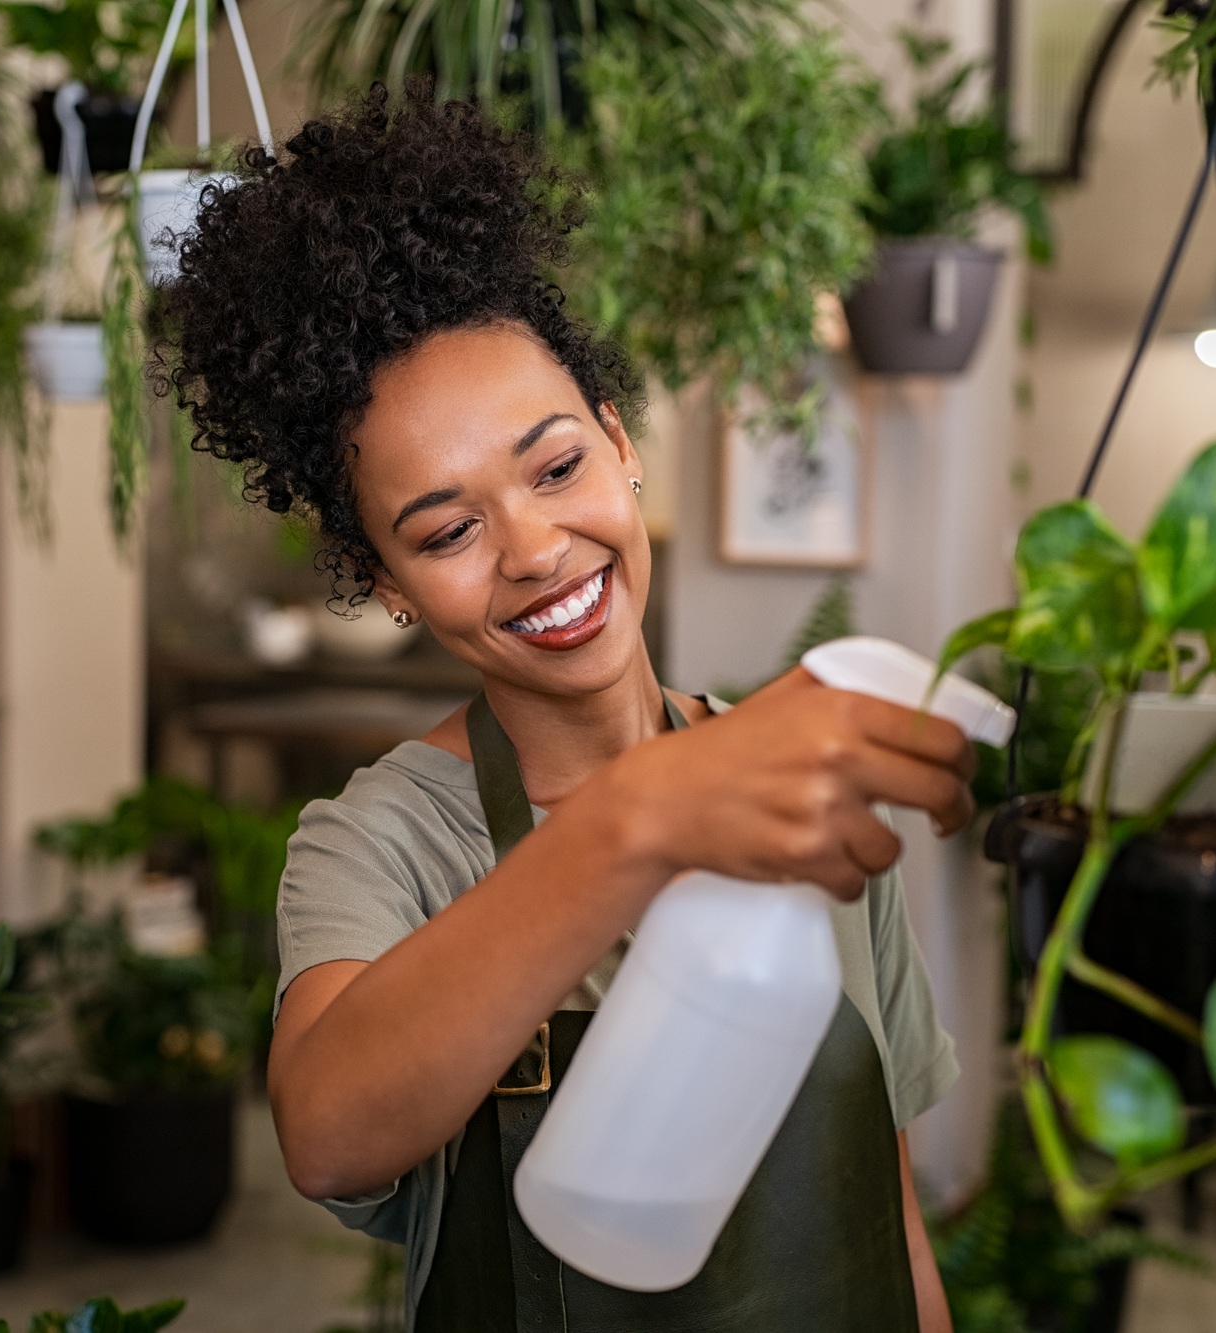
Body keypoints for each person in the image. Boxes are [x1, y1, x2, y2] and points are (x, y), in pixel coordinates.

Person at [158, 86, 976, 1332]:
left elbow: (887, 1214)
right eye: (445, 530)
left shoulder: (795, 786)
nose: (535, 548)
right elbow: (325, 1135)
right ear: (384, 580)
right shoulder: (382, 843)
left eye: (555, 466)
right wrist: (631, 820)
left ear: (618, 440)